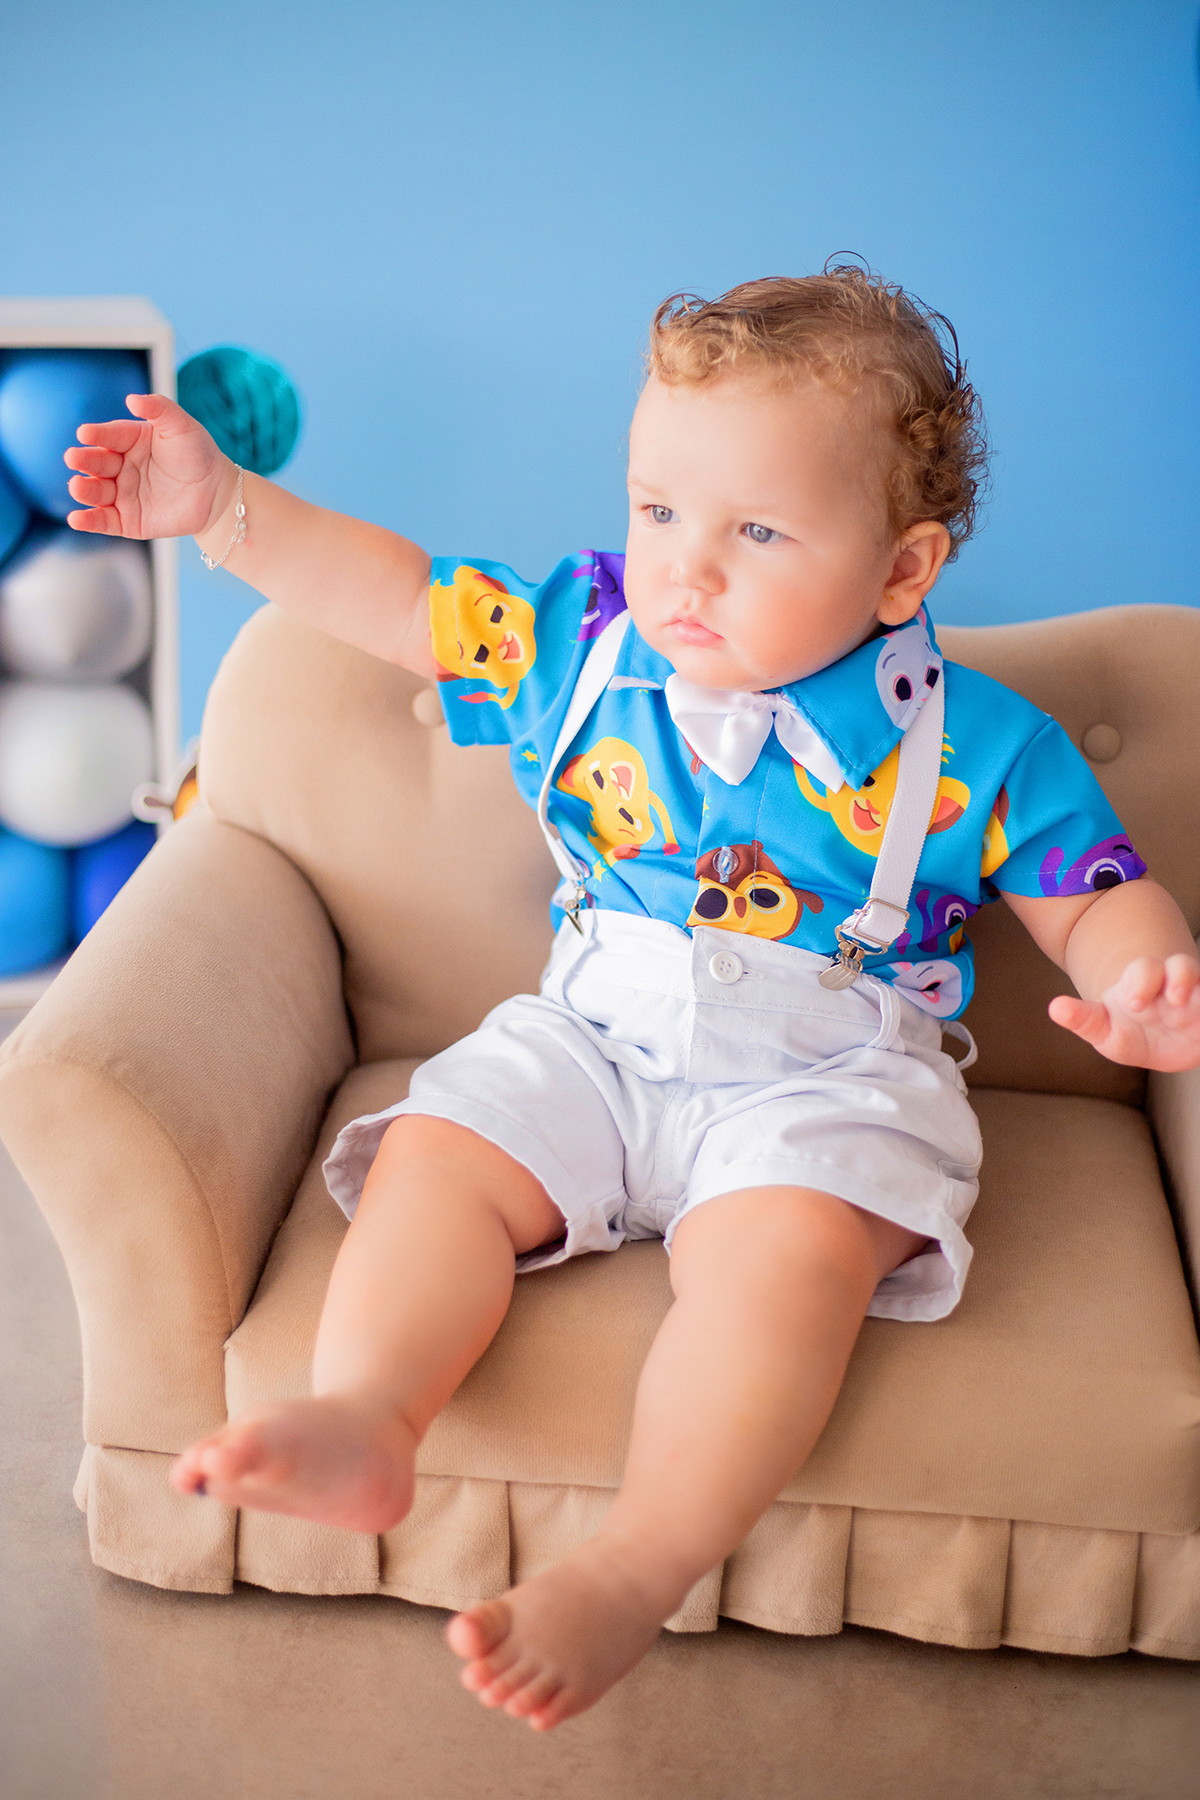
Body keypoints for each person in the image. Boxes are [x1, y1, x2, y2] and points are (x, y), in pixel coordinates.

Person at [65, 269, 1200, 1732]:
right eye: (657, 510)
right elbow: (404, 597)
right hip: (596, 1040)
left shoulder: (982, 740)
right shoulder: (583, 645)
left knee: (782, 1270)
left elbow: (1093, 887)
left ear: (903, 571)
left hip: (828, 1077)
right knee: (437, 1160)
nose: (685, 570)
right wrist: (222, 511)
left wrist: (1143, 979)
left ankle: (634, 1564)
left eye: (758, 530)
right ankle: (368, 1415)